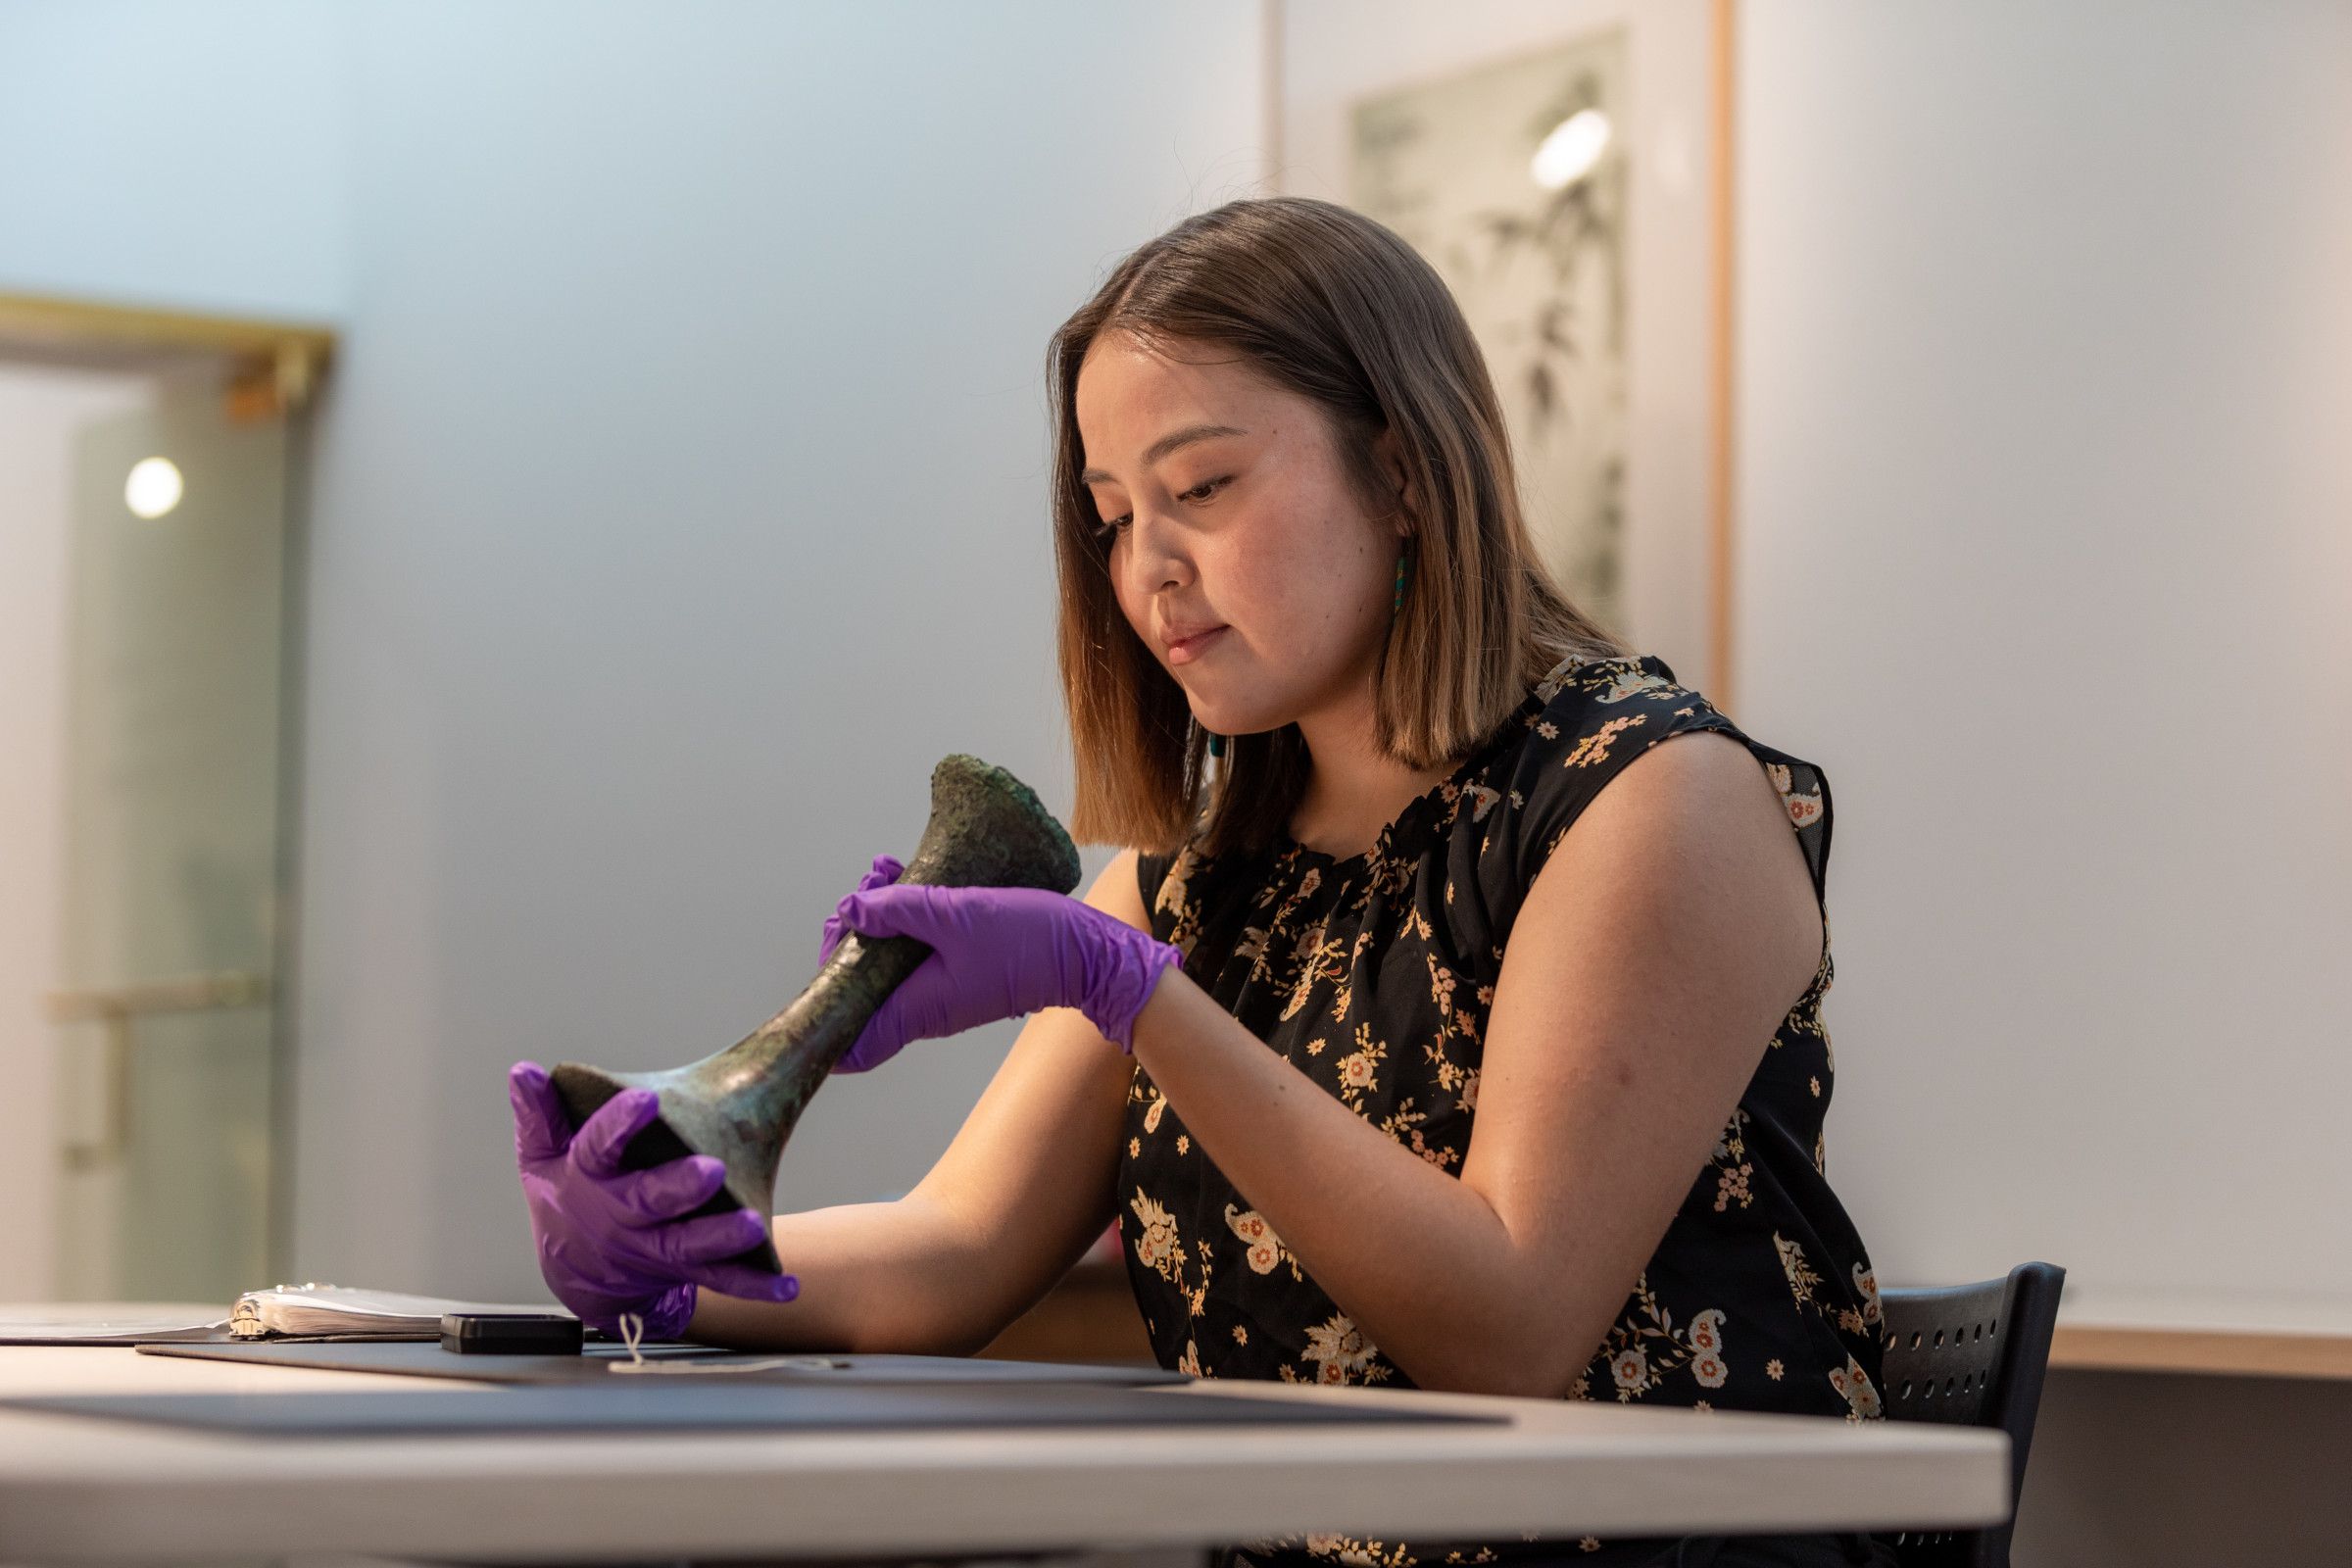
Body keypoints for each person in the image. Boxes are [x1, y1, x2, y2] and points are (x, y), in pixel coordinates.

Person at [509, 196, 1892, 1568]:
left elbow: (1508, 1328)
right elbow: (953, 1250)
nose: (1146, 569)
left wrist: (1132, 994)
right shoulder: (1200, 876)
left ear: (1402, 472)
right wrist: (674, 1271)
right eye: (1112, 515)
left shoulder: (1652, 796)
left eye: (1204, 489)